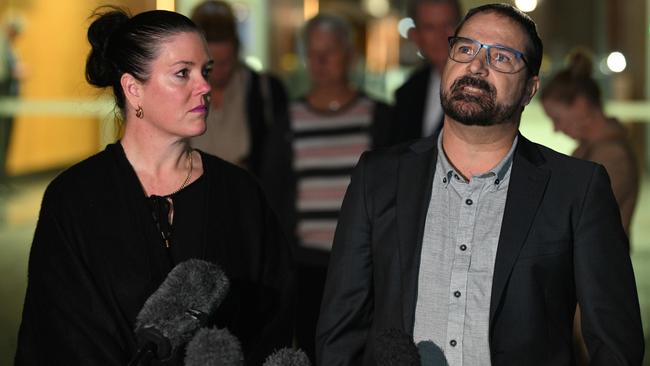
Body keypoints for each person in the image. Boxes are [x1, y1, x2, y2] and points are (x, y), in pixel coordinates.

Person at [316, 3, 644, 366]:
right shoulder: (377, 177)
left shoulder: (577, 189)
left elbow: (616, 344)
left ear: (529, 89)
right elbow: (340, 331)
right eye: (465, 49)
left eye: (501, 56)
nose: (476, 65)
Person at [15, 8, 292, 365]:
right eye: (183, 74)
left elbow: (274, 318)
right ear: (133, 89)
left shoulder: (241, 194)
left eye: (205, 71)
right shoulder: (74, 199)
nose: (205, 86)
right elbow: (56, 335)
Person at [289, 13, 391, 362]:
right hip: (307, 270)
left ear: (349, 54)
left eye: (329, 51)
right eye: (312, 52)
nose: (319, 61)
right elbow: (277, 197)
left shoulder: (379, 117)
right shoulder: (288, 120)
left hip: (366, 269)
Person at [188, 1, 293, 230]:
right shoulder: (180, 93)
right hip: (193, 211)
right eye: (210, 66)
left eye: (226, 63)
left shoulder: (263, 90)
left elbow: (279, 165)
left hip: (246, 213)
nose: (218, 74)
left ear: (237, 52)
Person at [541, 51, 639, 236]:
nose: (556, 129)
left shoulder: (612, 155)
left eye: (557, 118)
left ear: (581, 105)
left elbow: (583, 218)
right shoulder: (591, 150)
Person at [390, 0, 462, 144]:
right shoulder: (406, 92)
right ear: (416, 36)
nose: (441, 36)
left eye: (448, 25)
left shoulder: (482, 86)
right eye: (430, 28)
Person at [0, 20, 22, 182]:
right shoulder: (2, 46)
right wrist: (15, 73)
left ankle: (4, 178)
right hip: (4, 99)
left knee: (6, 141)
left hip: (11, 99)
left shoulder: (10, 47)